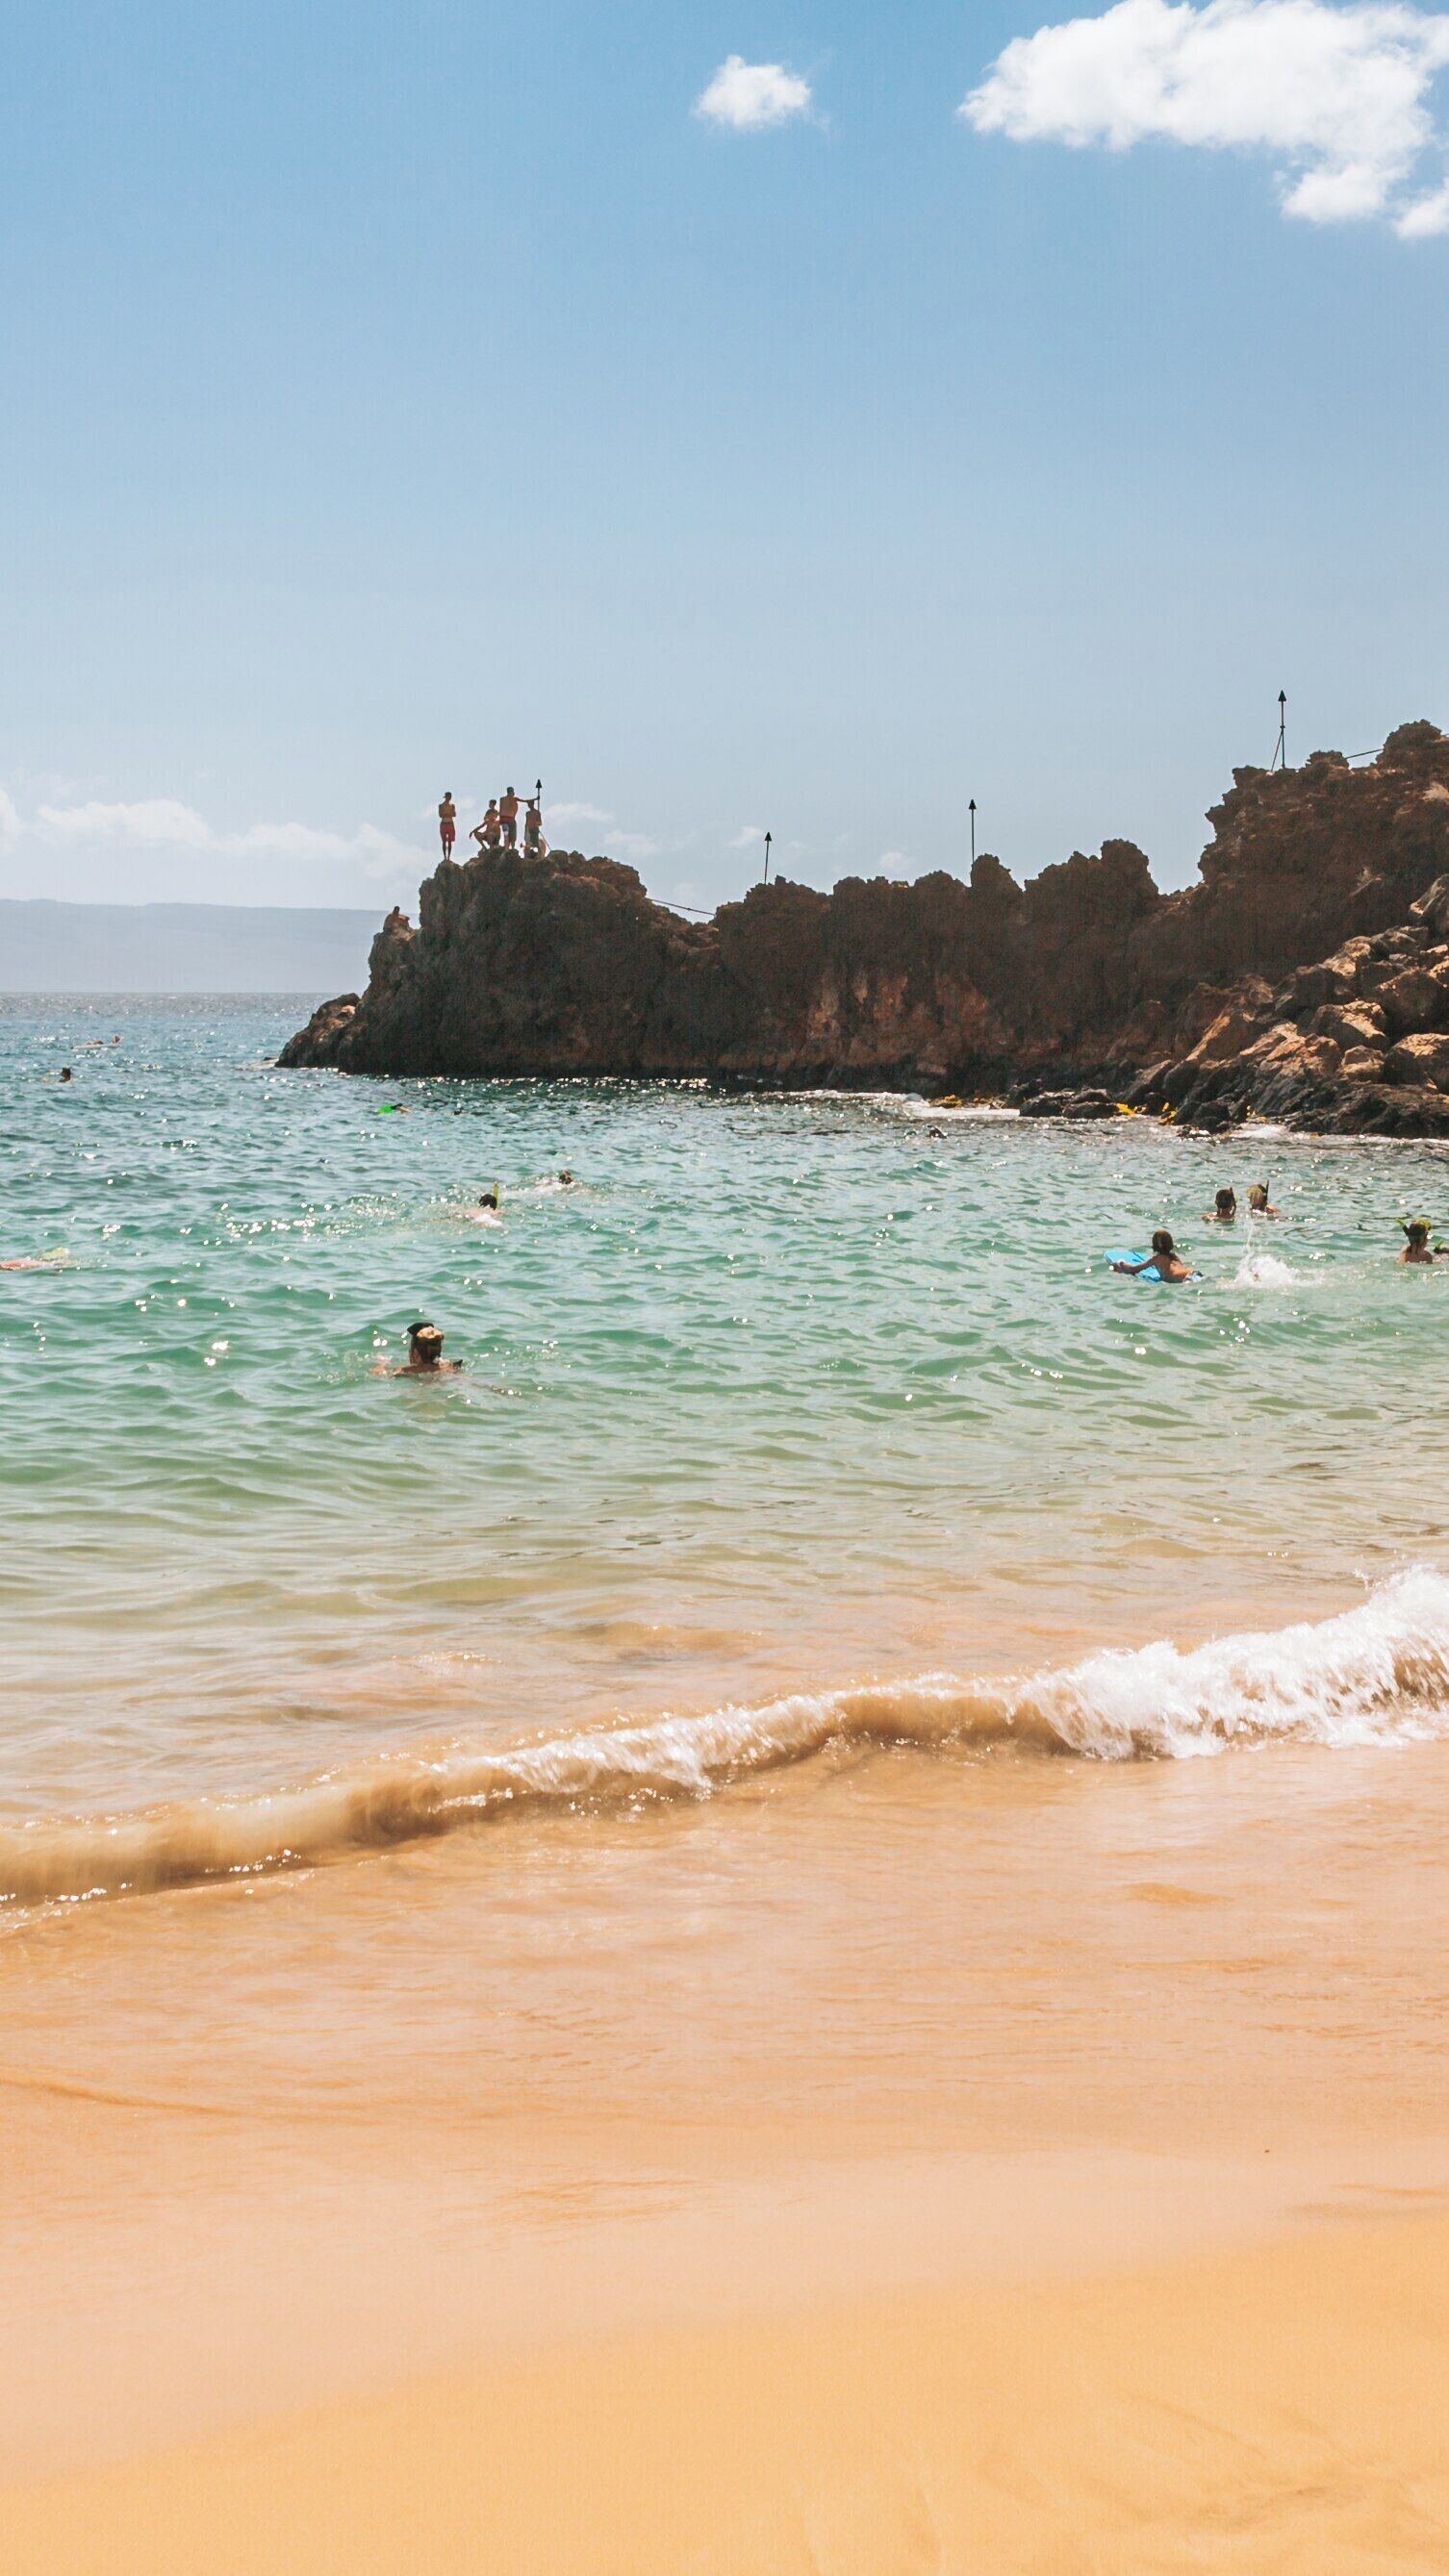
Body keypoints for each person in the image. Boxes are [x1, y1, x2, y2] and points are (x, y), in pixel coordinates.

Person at [1113, 1229, 1195, 1283]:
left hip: (1185, 1279)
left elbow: (1133, 1269)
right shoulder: (1175, 1257)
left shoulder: (1156, 1259)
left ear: (1154, 1245)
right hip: (1193, 1274)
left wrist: (1121, 1263)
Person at [394, 1322, 462, 1375]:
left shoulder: (404, 1371)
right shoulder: (450, 1368)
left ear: (415, 1352)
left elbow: (389, 1376)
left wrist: (383, 1366)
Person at [499, 785, 520, 849]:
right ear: (511, 792)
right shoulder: (504, 799)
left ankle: (510, 848)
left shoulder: (512, 800)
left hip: (507, 819)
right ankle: (507, 848)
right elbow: (501, 809)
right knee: (507, 834)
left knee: (511, 835)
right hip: (506, 819)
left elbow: (501, 809)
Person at [438, 793, 457, 860]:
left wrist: (446, 814)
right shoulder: (441, 805)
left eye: (450, 797)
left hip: (450, 823)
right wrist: (449, 814)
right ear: (445, 797)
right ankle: (445, 857)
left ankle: (448, 857)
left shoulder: (452, 805)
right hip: (444, 823)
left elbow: (454, 814)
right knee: (444, 841)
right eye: (448, 797)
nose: (449, 798)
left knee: (449, 841)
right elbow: (440, 815)